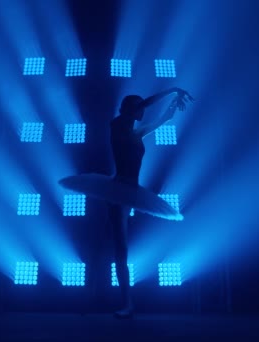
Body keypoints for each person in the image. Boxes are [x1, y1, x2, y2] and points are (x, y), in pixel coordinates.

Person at [108, 87, 192, 318]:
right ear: (129, 110)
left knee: (125, 246)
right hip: (119, 189)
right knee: (121, 249)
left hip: (132, 189)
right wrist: (172, 89)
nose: (143, 110)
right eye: (139, 107)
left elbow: (166, 117)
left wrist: (175, 100)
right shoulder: (117, 126)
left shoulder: (137, 133)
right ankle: (127, 303)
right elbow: (143, 103)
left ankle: (128, 302)